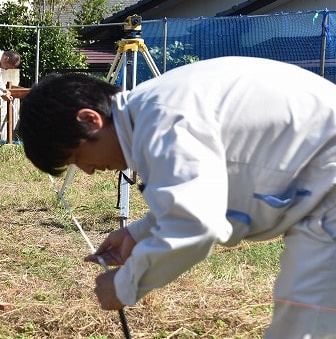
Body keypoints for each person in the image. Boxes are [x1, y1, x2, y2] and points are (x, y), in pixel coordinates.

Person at [18, 56, 336, 338]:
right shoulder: (154, 108)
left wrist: (124, 285)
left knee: (305, 324)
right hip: (322, 189)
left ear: (90, 119)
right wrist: (138, 232)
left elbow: (196, 226)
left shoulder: (162, 123)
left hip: (328, 192)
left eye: (77, 156)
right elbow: (204, 194)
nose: (86, 171)